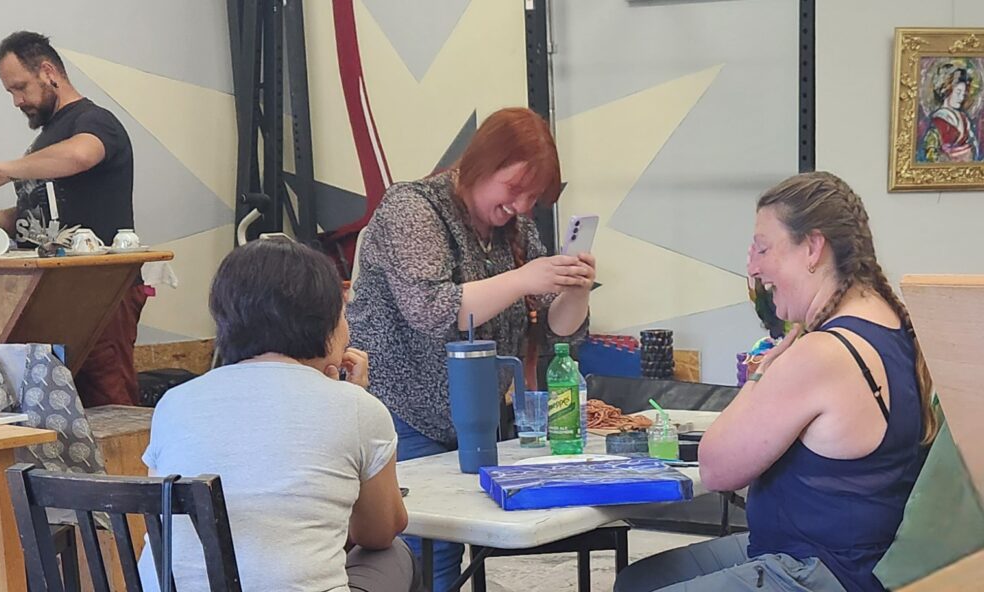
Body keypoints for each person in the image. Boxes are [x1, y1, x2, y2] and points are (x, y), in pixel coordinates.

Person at [615, 172, 937, 592]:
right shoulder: (891, 324)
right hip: (842, 559)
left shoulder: (823, 353)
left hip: (822, 571)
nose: (753, 267)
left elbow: (716, 468)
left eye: (763, 248)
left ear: (813, 248)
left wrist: (762, 374)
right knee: (639, 581)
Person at [347, 107, 594, 589]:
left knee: (458, 549)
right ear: (482, 162)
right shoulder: (411, 208)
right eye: (514, 189)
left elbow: (562, 332)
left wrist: (575, 288)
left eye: (533, 197)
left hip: (474, 422)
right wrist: (524, 278)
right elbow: (430, 308)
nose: (522, 206)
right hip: (402, 411)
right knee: (425, 555)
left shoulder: (516, 230)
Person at [138, 237, 418, 592]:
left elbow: (162, 520)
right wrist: (353, 399)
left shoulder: (173, 404)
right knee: (393, 555)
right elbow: (380, 530)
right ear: (324, 324)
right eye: (344, 312)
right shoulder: (357, 408)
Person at [0, 30, 143, 407]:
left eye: (20, 87)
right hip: (50, 296)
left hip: (99, 292)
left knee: (108, 404)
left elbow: (80, 156)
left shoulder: (96, 122)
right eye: (9, 92)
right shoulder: (45, 142)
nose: (16, 101)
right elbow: (34, 215)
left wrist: (6, 170)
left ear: (48, 71)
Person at [921, 62, 981, 162]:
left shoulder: (963, 118)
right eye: (958, 92)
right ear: (947, 90)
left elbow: (973, 143)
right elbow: (930, 150)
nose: (961, 97)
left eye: (963, 93)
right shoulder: (938, 120)